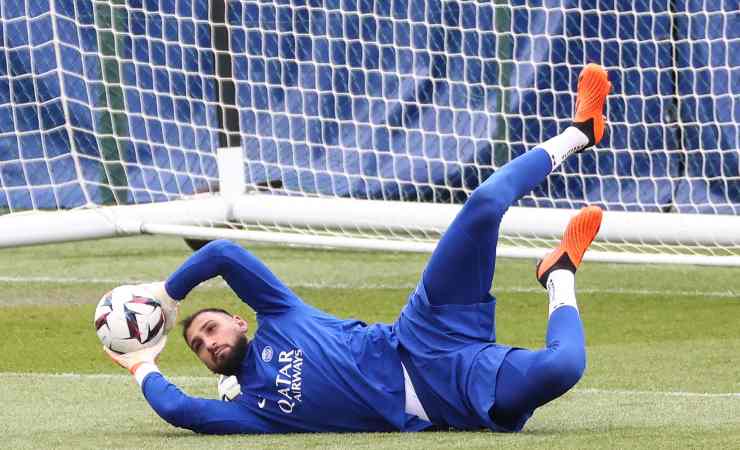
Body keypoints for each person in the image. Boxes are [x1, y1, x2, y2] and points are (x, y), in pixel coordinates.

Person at [105, 64, 612, 434]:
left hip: (424, 332)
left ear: (240, 321)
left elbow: (222, 254)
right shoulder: (255, 412)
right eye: (197, 346)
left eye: (210, 327)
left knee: (482, 206)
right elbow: (182, 413)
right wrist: (141, 362)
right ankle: (560, 274)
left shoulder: (280, 314)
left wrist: (168, 297)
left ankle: (578, 133)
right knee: (563, 368)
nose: (208, 343)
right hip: (451, 396)